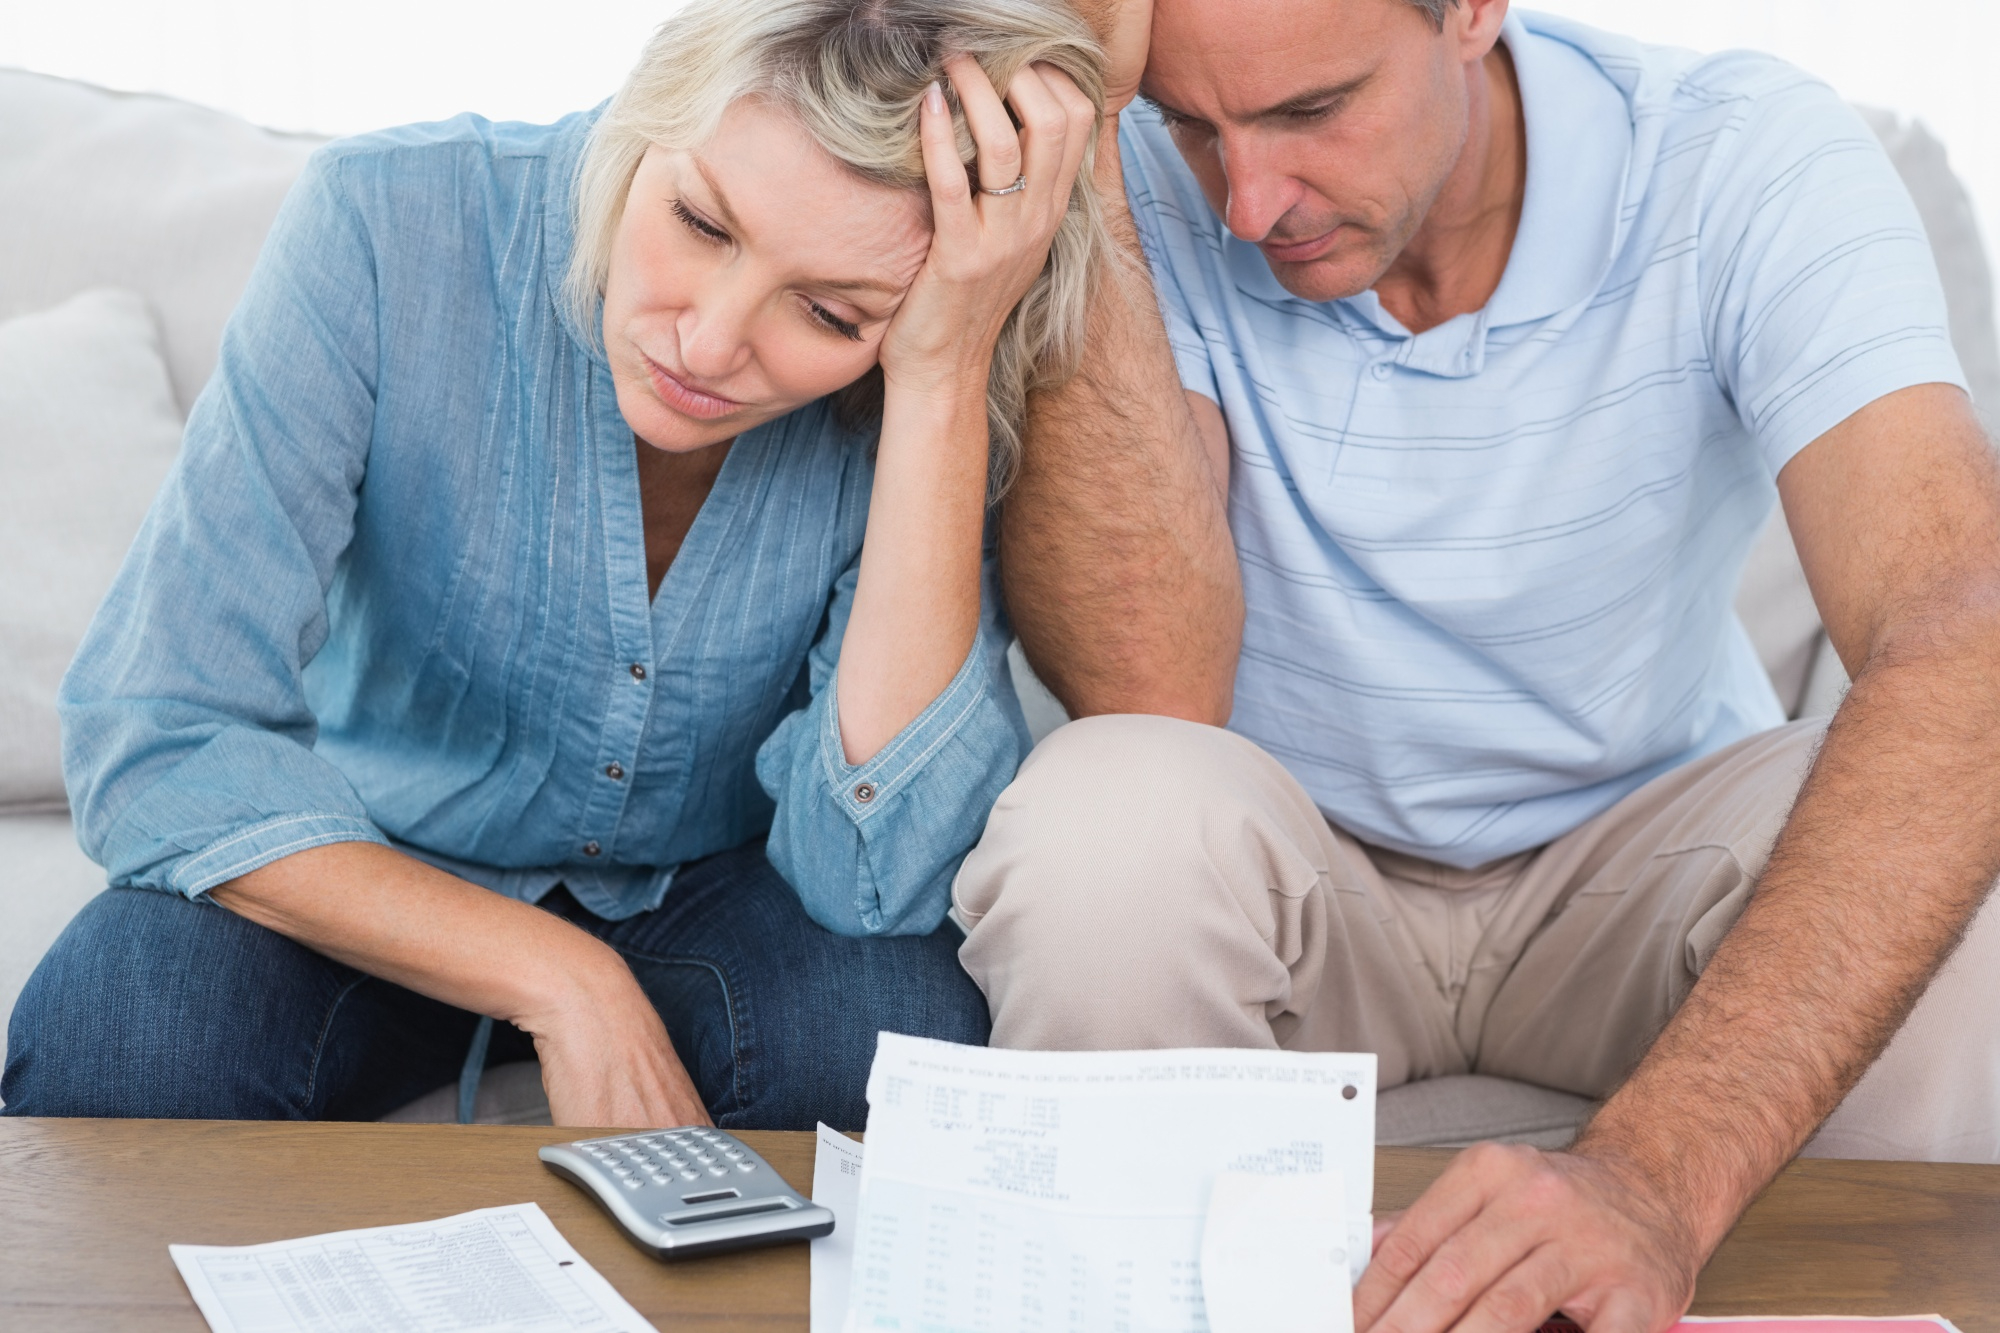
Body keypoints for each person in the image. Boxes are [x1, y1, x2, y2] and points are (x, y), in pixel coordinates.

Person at [976, 0, 2000, 1329]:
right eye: (1192, 123)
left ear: (1470, 12)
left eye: (1311, 111)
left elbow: (1960, 628)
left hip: (1634, 869)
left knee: (1964, 848)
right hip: (1306, 886)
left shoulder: (1739, 156)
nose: (1247, 203)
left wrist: (1651, 1179)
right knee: (1101, 815)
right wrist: (1098, 145)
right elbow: (1154, 692)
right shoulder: (1133, 180)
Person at [2, 0, 1108, 1131]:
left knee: (892, 1045)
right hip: (367, 856)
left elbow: (876, 875)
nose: (709, 343)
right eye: (698, 221)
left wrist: (940, 375)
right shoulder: (389, 226)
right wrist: (564, 981)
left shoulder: (938, 360)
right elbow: (161, 731)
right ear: (638, 122)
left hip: (718, 886)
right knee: (123, 1033)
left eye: (827, 312)